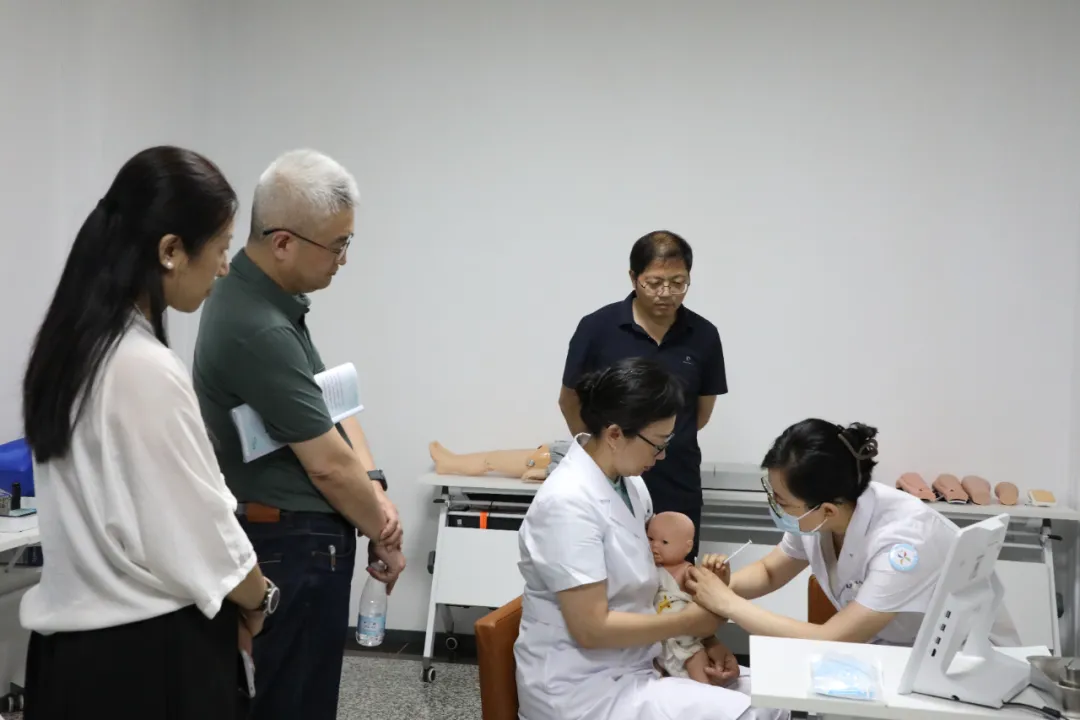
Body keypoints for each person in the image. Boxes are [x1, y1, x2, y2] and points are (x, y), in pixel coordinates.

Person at [19, 146, 275, 719]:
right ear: (170, 251)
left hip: (68, 660)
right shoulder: (143, 366)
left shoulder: (69, 350)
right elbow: (201, 527)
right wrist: (260, 598)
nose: (225, 266)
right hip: (147, 659)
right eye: (221, 247)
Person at [193, 148, 405, 720]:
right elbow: (328, 465)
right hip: (291, 544)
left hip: (299, 537)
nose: (343, 259)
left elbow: (333, 404)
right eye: (337, 245)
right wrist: (383, 529)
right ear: (284, 242)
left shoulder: (270, 303)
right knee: (293, 702)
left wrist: (374, 488)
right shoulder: (257, 327)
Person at [516, 357, 786, 720]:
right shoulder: (566, 504)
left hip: (641, 660)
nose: (662, 456)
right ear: (615, 435)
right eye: (657, 444)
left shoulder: (630, 485)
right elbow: (591, 628)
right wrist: (690, 624)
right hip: (583, 689)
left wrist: (703, 642)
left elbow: (651, 586)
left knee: (777, 695)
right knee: (753, 714)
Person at [687, 419, 1020, 646]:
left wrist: (728, 604)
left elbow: (832, 638)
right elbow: (769, 572)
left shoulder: (904, 542)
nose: (775, 505)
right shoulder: (822, 514)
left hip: (963, 662)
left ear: (827, 510)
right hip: (897, 649)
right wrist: (711, 586)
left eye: (782, 501)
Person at [560, 230, 725, 561]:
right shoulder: (597, 328)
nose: (666, 293)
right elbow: (570, 401)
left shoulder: (704, 335)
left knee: (674, 578)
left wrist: (655, 444)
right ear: (633, 277)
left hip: (676, 480)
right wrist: (600, 454)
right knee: (611, 571)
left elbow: (700, 413)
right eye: (654, 283)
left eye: (678, 283)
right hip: (610, 479)